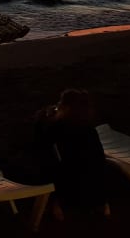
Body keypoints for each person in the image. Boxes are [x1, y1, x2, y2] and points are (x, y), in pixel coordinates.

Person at [32, 88, 108, 220]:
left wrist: (43, 119)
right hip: (97, 184)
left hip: (72, 183)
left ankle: (54, 204)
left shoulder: (60, 126)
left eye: (60, 103)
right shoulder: (89, 127)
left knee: (48, 162)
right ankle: (102, 206)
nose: (58, 105)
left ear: (66, 108)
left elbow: (41, 142)